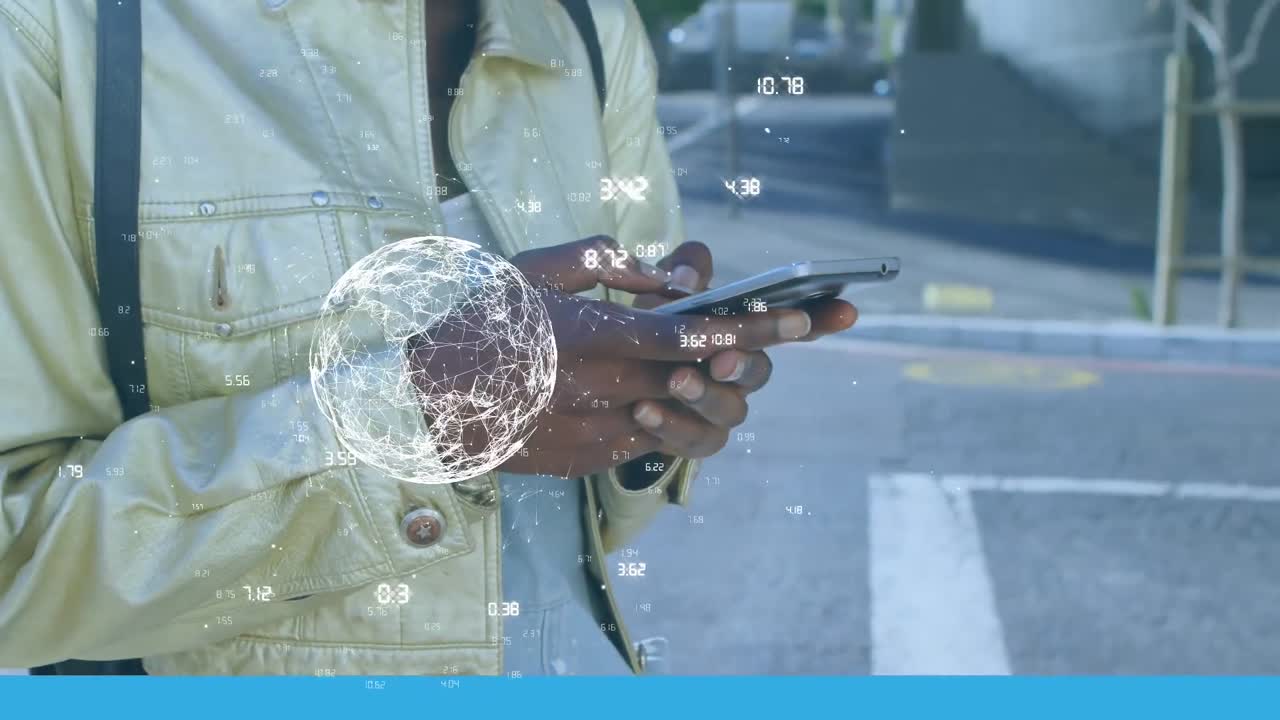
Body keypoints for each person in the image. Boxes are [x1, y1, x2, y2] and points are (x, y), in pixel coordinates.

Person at [0, 0, 856, 675]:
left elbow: (582, 529)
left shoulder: (588, 30)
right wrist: (416, 422)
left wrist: (655, 410)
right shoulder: (58, 34)